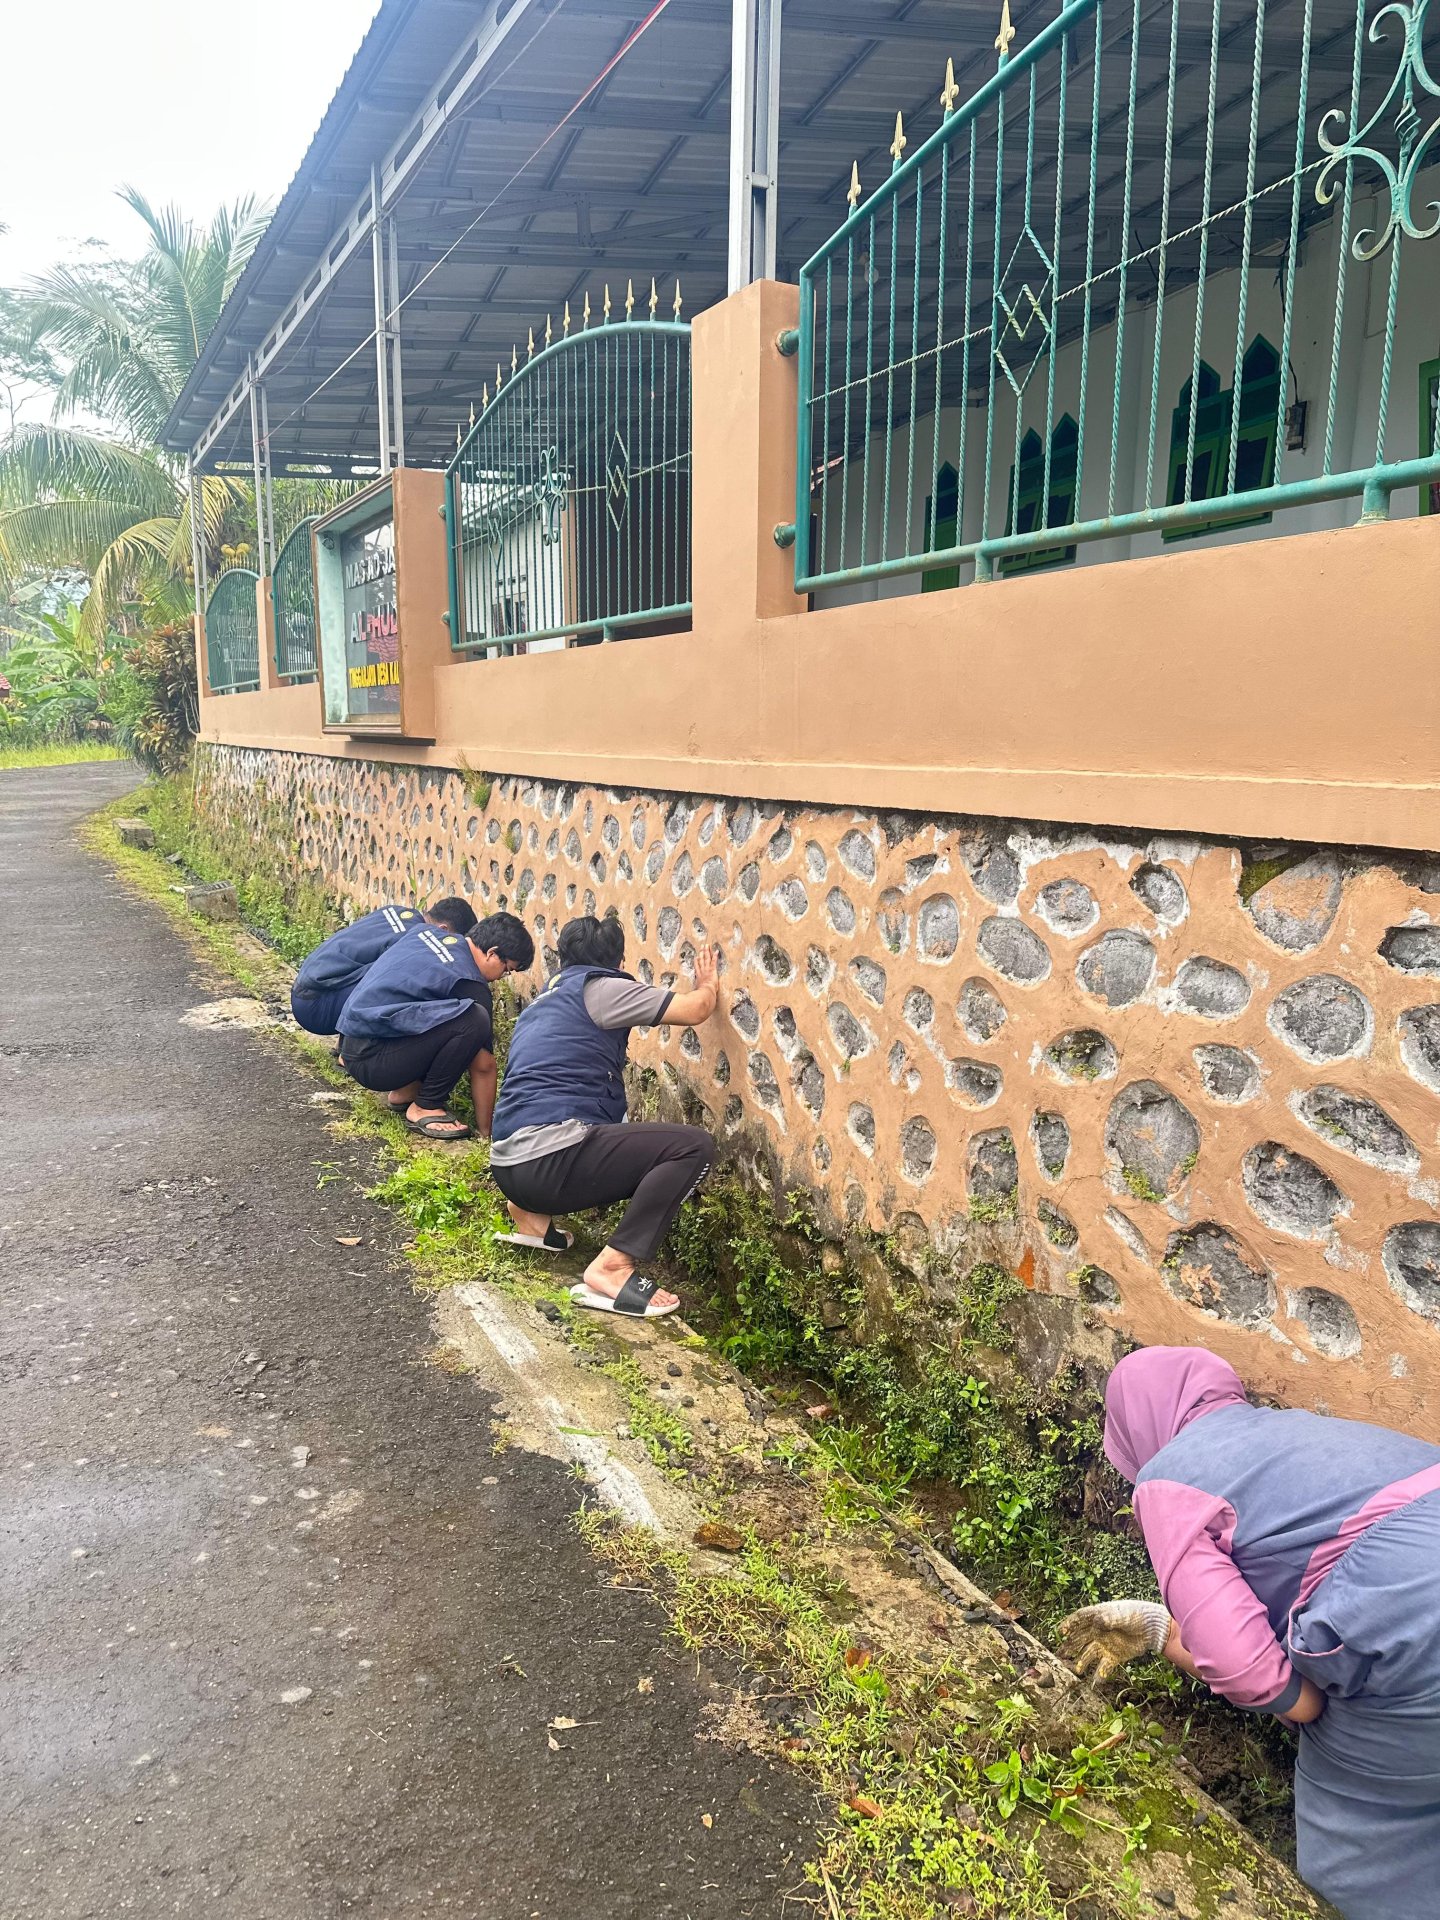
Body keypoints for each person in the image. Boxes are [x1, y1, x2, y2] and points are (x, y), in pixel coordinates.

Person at [1058, 1346, 1440, 1920]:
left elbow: (1243, 1665)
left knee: (1364, 1855)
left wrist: (1305, 1706)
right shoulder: (1285, 1431)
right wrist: (1164, 1631)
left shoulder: (1167, 1481)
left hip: (1412, 1621)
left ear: (1137, 1429)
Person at [489, 914, 719, 1319]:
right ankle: (613, 1266)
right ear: (617, 961)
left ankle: (531, 1220)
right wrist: (708, 982)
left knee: (591, 1125)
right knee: (692, 1146)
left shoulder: (544, 1000)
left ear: (563, 958)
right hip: (549, 1162)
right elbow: (695, 1010)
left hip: (509, 1167)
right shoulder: (603, 988)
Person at [338, 911, 534, 1140]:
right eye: (507, 969)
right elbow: (483, 1066)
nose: (503, 977)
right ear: (492, 953)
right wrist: (487, 1134)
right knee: (473, 1019)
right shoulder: (469, 981)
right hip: (374, 1062)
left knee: (438, 1015)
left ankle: (404, 1092)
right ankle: (426, 1105)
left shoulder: (426, 934)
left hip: (351, 1045)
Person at [291, 897, 477, 1036]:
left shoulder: (396, 911)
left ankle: (346, 1045)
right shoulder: (413, 938)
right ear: (443, 930)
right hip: (315, 1008)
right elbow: (375, 990)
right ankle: (348, 1053)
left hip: (303, 987)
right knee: (395, 990)